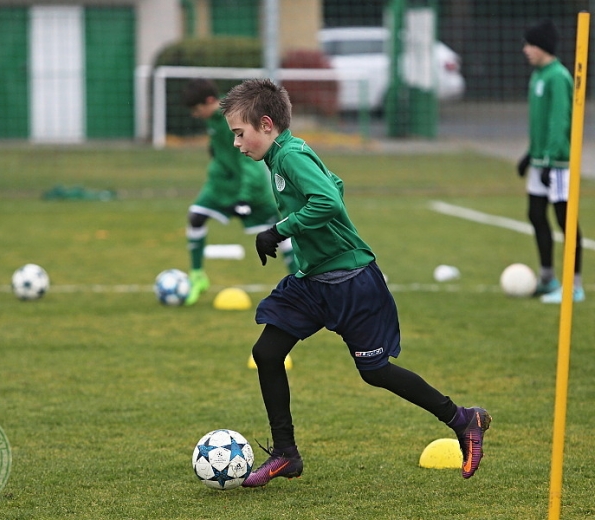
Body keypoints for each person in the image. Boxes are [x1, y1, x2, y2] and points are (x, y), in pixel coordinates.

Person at [219, 78, 491, 487]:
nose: (238, 144)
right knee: (268, 351)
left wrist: (280, 230)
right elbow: (336, 183)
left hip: (350, 280)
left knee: (376, 370)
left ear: (267, 124)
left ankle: (462, 419)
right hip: (313, 281)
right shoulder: (284, 155)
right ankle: (285, 454)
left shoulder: (290, 155)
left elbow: (329, 199)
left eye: (241, 133)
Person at [181, 78, 296, 306]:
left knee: (282, 231)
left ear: (210, 101)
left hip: (250, 190)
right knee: (196, 217)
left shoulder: (234, 118)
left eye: (197, 109)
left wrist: (245, 197)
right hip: (221, 186)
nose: (195, 114)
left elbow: (250, 162)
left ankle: (303, 282)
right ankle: (197, 277)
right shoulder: (214, 119)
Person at [517, 19, 585, 303]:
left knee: (564, 218)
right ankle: (547, 277)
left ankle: (575, 286)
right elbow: (539, 123)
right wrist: (530, 155)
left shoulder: (558, 77)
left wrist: (548, 159)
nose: (526, 50)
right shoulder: (538, 76)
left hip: (557, 163)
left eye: (530, 44)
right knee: (535, 213)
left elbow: (560, 122)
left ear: (543, 46)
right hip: (540, 160)